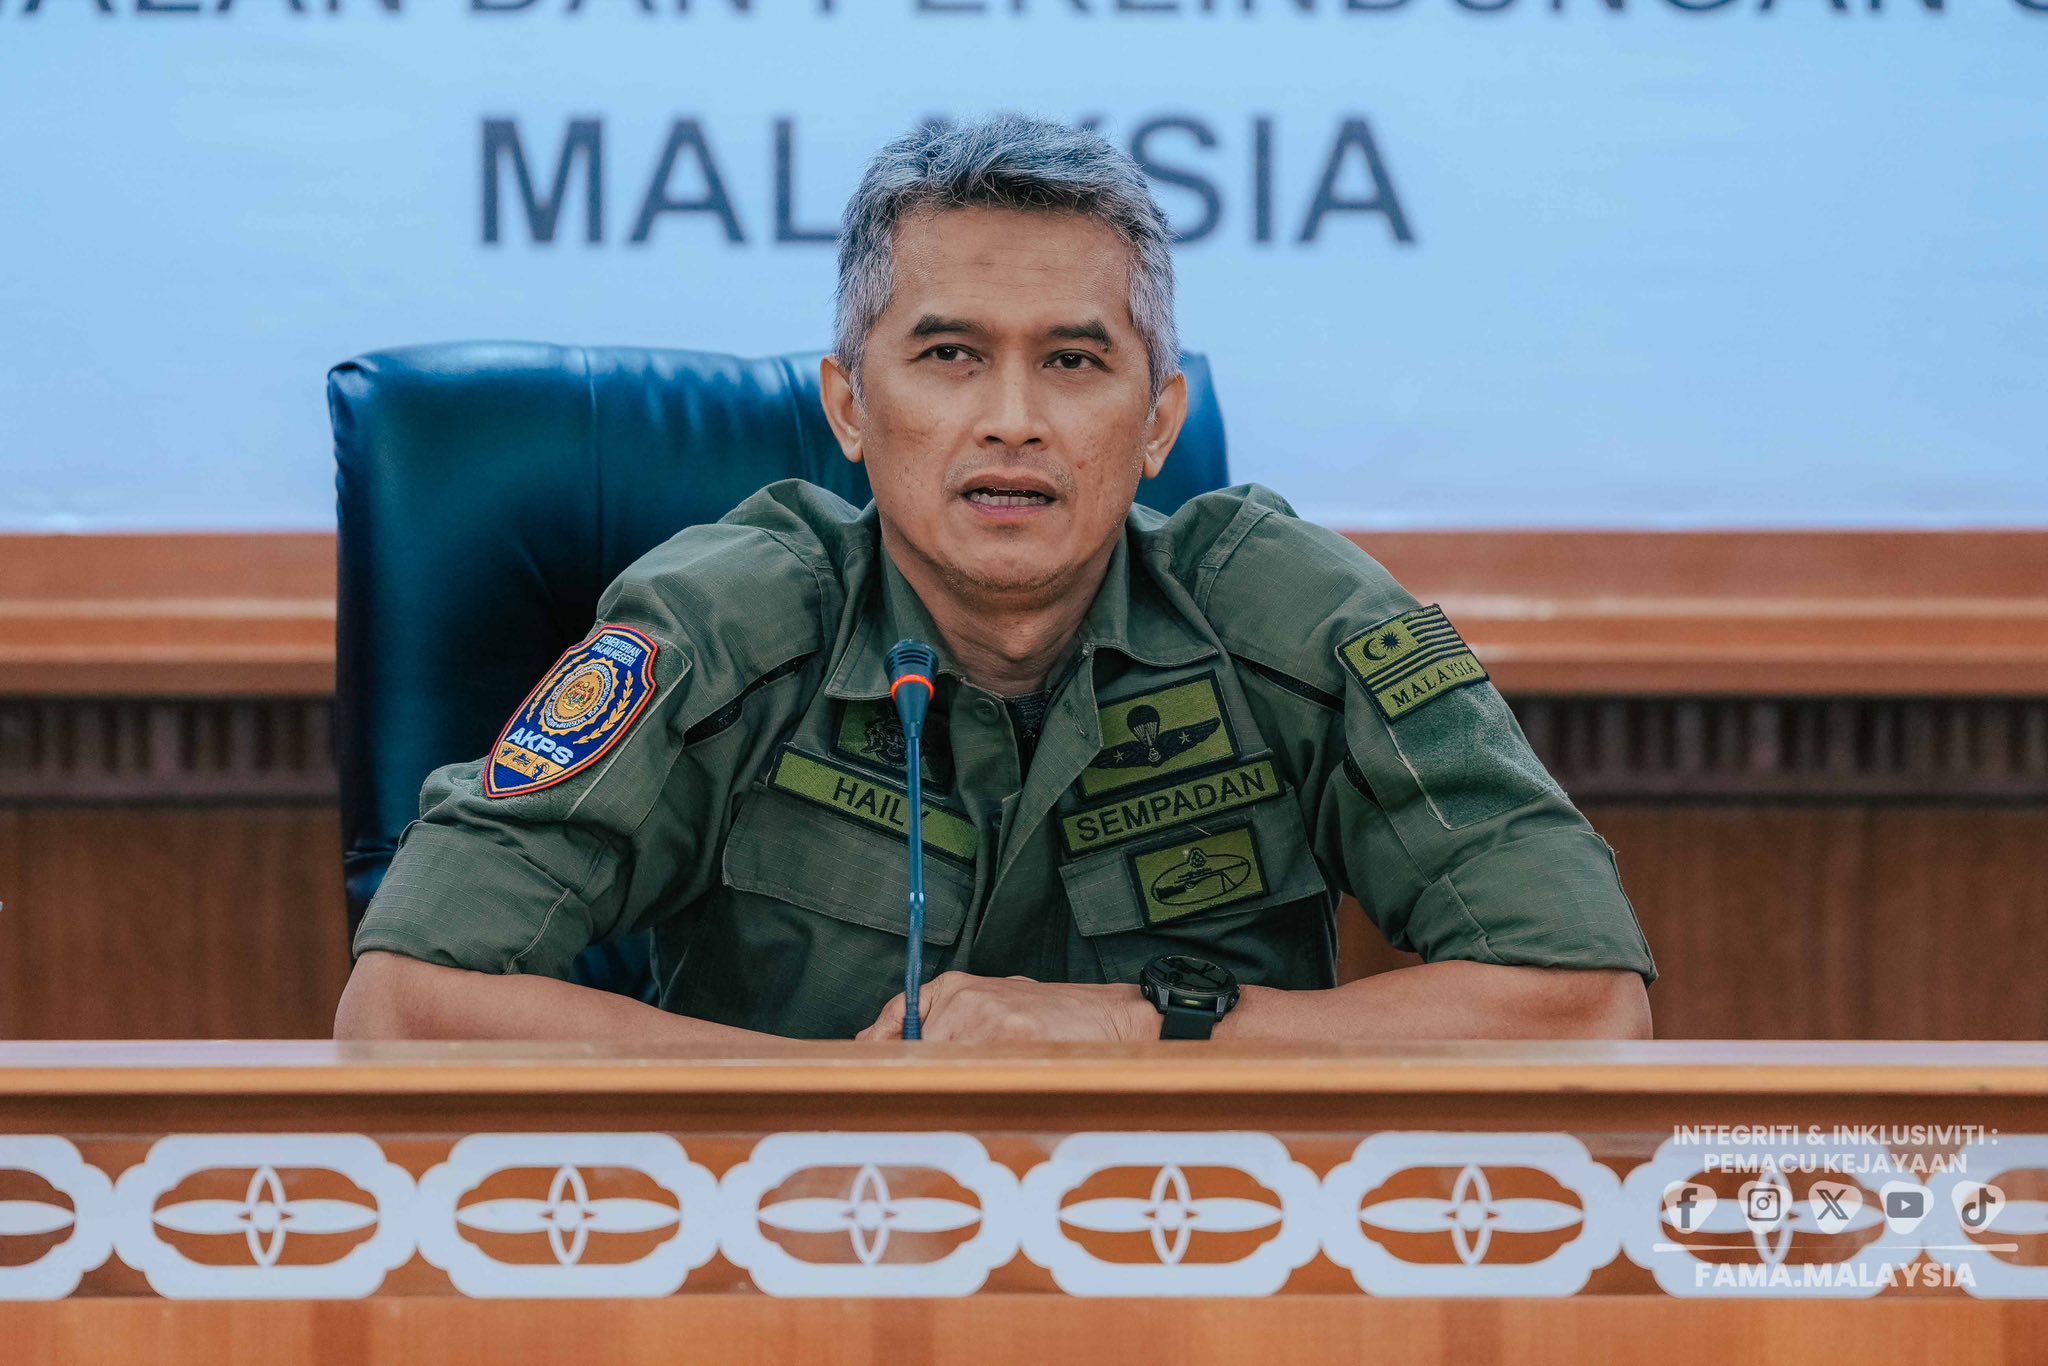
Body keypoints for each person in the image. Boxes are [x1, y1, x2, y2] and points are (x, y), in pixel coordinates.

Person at [334, 113, 1654, 1045]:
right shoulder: (725, 627)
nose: (1013, 420)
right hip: (795, 1268)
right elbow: (400, 1006)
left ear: (1158, 420)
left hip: (1203, 1272)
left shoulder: (1294, 622)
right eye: (950, 356)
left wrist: (1139, 1031)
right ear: (850, 406)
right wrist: (840, 1097)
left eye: (1073, 362)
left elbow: (1587, 1002)